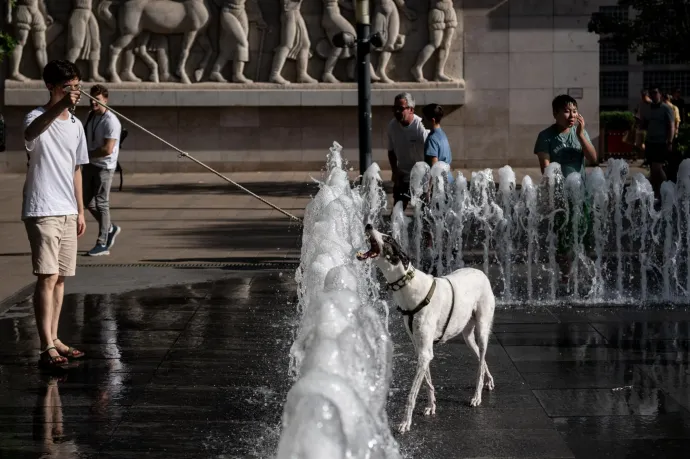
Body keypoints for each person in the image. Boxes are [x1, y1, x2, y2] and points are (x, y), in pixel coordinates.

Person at [22, 59, 89, 369]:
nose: (74, 92)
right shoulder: (36, 116)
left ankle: (56, 337)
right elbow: (32, 133)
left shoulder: (75, 125)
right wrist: (59, 104)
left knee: (61, 278)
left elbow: (76, 168)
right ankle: (45, 344)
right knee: (47, 276)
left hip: (66, 208)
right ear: (51, 87)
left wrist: (80, 210)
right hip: (42, 207)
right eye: (67, 87)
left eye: (76, 86)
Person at [534, 94, 597, 281]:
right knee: (563, 238)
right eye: (567, 111)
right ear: (556, 113)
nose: (572, 115)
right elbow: (546, 168)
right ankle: (566, 275)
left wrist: (580, 135)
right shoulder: (545, 136)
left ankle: (586, 274)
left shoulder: (580, 133)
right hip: (560, 196)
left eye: (575, 111)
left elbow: (593, 159)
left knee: (586, 234)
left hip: (581, 194)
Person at [83, 84, 122, 256]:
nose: (93, 103)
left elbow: (107, 149)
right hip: (91, 163)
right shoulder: (91, 115)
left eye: (97, 100)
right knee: (86, 201)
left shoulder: (111, 121)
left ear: (105, 100)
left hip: (104, 166)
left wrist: (87, 154)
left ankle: (103, 242)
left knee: (102, 203)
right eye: (91, 99)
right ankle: (110, 227)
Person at [387, 92, 428, 210]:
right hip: (403, 174)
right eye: (395, 108)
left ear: (411, 110)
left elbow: (431, 152)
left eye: (400, 108)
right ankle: (395, 228)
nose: (397, 112)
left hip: (421, 176)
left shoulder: (420, 126)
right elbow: (391, 151)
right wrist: (395, 171)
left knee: (423, 212)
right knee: (397, 209)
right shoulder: (392, 126)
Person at [640, 87, 675, 199]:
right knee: (652, 169)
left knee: (657, 168)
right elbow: (645, 124)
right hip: (650, 142)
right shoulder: (648, 108)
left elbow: (671, 126)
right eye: (651, 93)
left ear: (660, 94)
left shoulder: (666, 108)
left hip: (661, 142)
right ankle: (656, 192)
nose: (653, 95)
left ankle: (666, 191)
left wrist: (669, 142)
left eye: (655, 93)